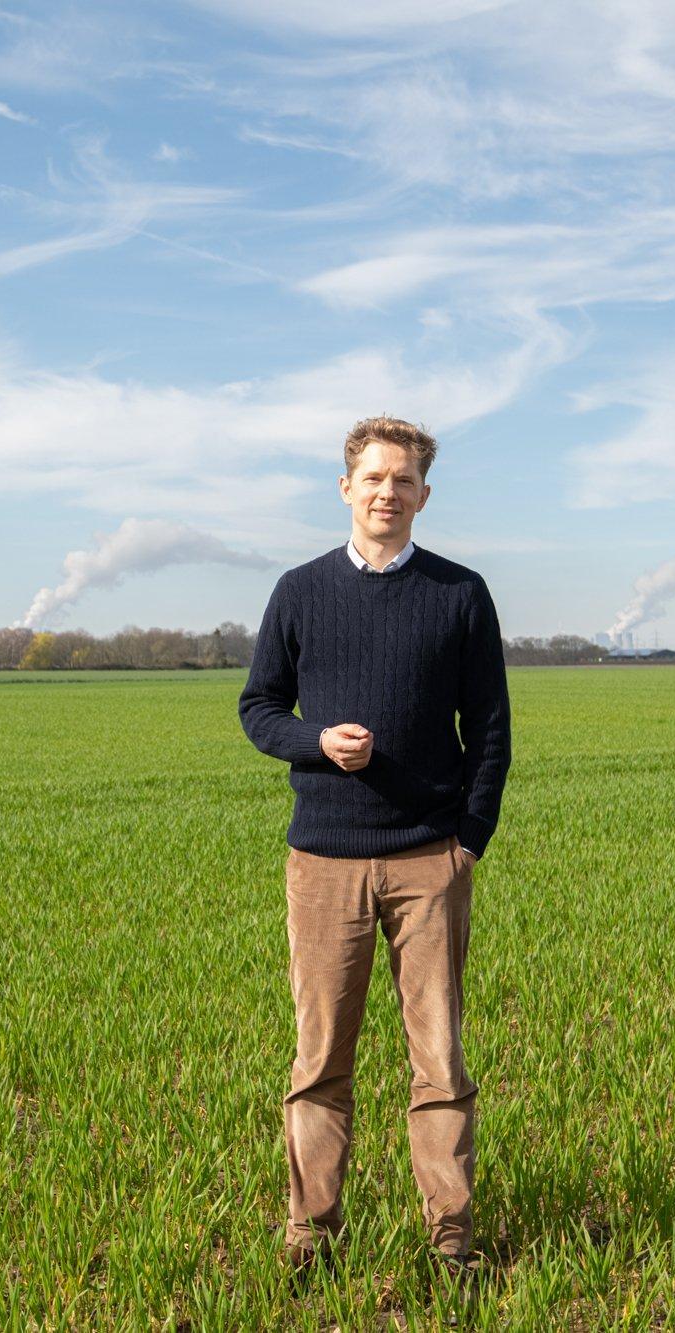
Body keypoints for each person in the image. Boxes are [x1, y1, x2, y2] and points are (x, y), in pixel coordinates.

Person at [237, 415, 512, 1285]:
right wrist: (317, 742)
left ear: (423, 495)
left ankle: (452, 1242)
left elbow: (492, 732)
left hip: (429, 860)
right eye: (373, 478)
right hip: (322, 862)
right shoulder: (298, 590)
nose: (387, 492)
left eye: (403, 480)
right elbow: (258, 710)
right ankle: (311, 1236)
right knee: (320, 1058)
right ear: (346, 488)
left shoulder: (460, 594)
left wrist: (467, 840)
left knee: (440, 1058)